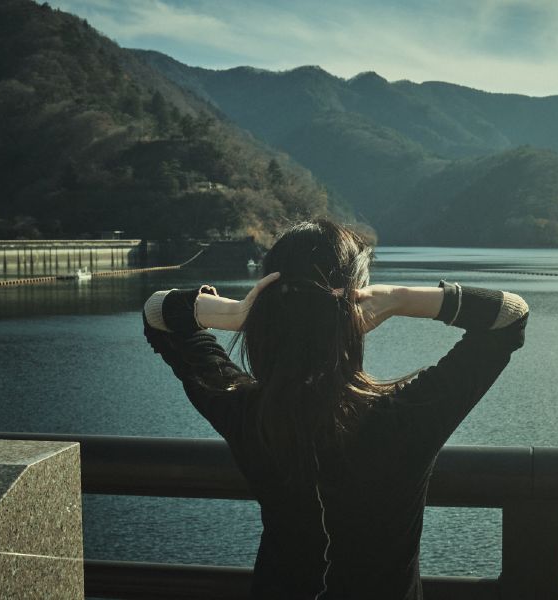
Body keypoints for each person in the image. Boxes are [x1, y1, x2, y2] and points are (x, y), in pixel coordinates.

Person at [142, 219, 529, 599]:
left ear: (268, 296)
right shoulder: (405, 416)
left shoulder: (241, 407)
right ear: (355, 304)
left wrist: (238, 313)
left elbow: (158, 313)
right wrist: (398, 298)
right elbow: (510, 316)